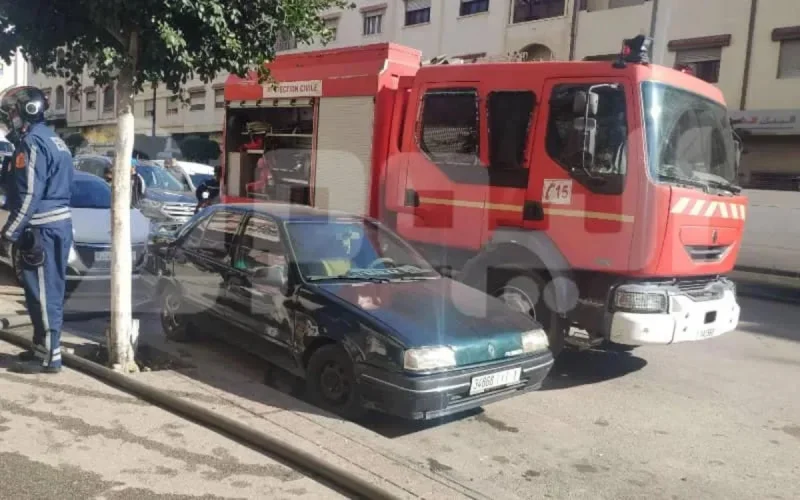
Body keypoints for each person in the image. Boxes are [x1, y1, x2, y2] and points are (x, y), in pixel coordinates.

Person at [0, 86, 74, 374]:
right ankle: (41, 348)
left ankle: (48, 358)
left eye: (13, 111)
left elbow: (30, 194)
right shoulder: (54, 140)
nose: (10, 117)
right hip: (53, 226)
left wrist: (10, 232)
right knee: (39, 293)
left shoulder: (32, 143)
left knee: (44, 295)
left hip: (41, 230)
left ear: (27, 110)